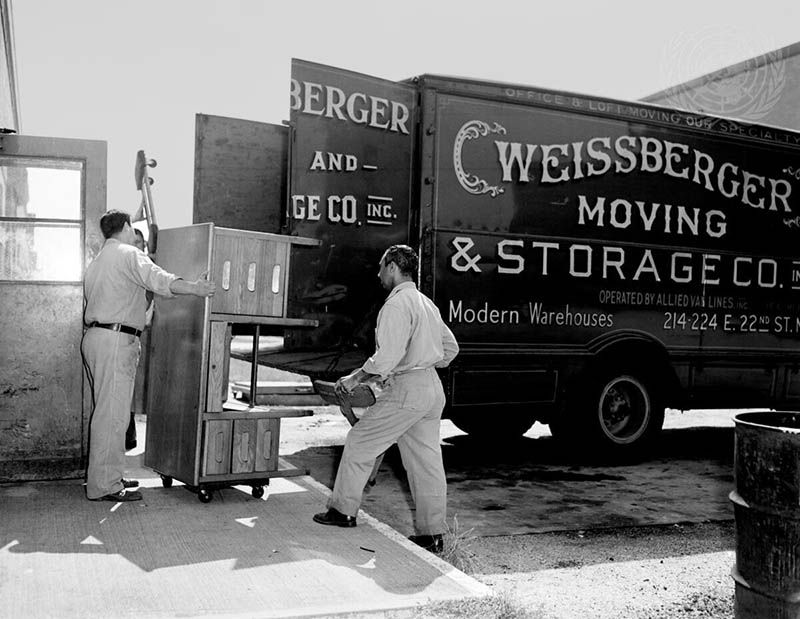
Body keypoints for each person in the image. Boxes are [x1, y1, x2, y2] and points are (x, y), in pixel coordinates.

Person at [313, 244, 459, 553]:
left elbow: (387, 357)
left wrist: (355, 378)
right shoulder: (426, 304)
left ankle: (342, 511)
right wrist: (423, 361)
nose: (378, 274)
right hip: (431, 388)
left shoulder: (395, 304)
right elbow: (451, 349)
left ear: (392, 267)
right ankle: (432, 534)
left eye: (381, 267)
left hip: (407, 389)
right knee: (427, 464)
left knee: (359, 442)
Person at [82, 210, 216, 501]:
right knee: (112, 416)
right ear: (126, 226)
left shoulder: (98, 261)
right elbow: (159, 279)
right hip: (115, 340)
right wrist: (195, 288)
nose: (135, 234)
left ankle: (108, 476)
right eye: (133, 228)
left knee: (109, 412)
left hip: (97, 338)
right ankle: (104, 485)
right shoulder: (128, 254)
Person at [125, 228, 151, 450]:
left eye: (140, 243)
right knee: (127, 393)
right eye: (133, 243)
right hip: (129, 336)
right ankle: (128, 435)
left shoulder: (149, 269)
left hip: (149, 339)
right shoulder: (126, 268)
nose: (137, 247)